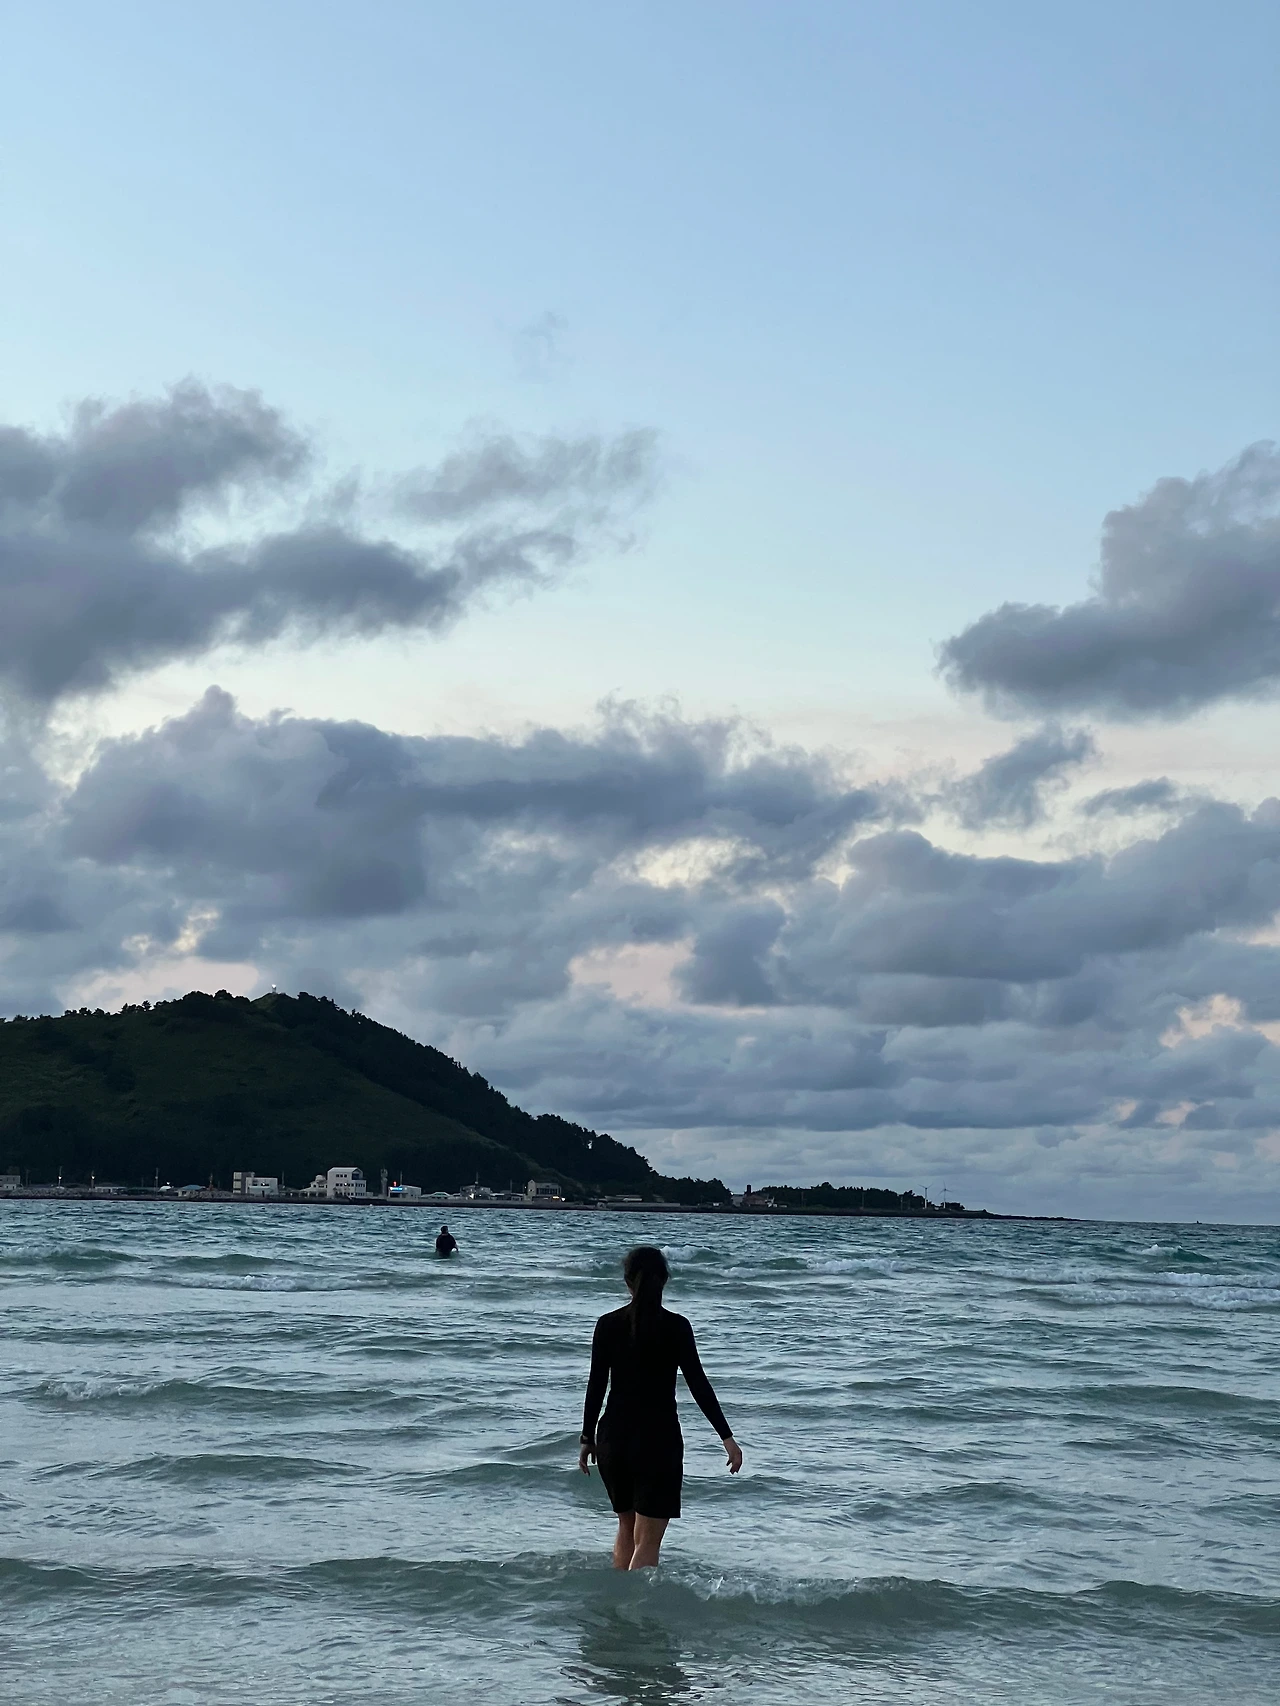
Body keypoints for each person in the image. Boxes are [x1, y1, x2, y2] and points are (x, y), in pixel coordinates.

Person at [579, 1244, 742, 1570]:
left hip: (614, 1440)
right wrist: (727, 1438)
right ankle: (635, 1601)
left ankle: (619, 1598)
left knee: (626, 1527)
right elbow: (698, 1385)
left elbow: (596, 1386)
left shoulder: (607, 1324)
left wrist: (587, 1438)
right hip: (658, 1441)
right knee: (648, 1541)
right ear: (664, 1281)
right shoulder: (676, 1327)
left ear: (627, 1282)